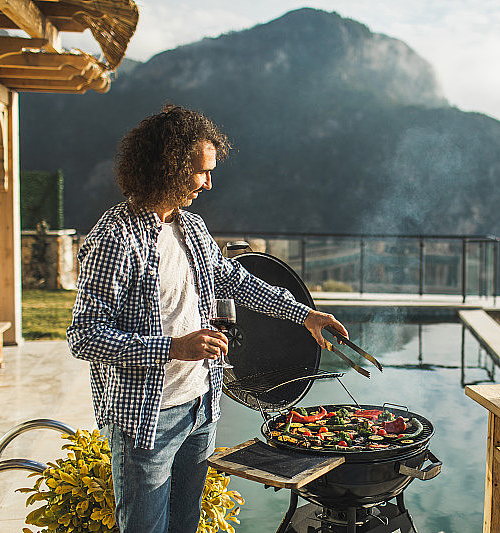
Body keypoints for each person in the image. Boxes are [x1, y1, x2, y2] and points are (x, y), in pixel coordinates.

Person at [67, 104, 348, 533]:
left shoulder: (192, 228)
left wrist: (304, 315)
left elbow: (235, 280)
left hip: (200, 408)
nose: (209, 182)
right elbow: (84, 337)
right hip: (148, 419)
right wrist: (174, 348)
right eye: (202, 171)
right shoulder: (115, 239)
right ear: (171, 168)